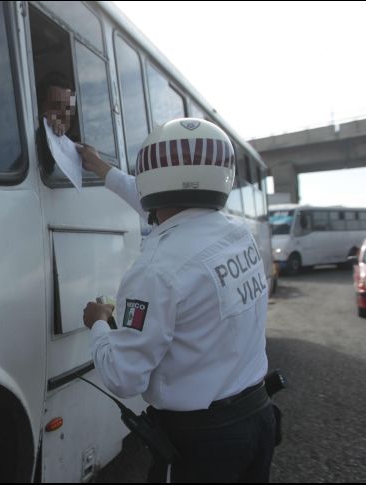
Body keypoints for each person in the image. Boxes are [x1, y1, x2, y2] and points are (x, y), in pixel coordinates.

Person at [76, 118, 276, 483]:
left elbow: (123, 377)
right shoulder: (236, 235)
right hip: (258, 420)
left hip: (204, 445)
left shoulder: (156, 270)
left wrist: (100, 323)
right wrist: (103, 169)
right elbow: (170, 204)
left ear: (150, 181)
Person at [35, 72, 78, 176]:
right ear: (41, 108)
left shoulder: (77, 147)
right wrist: (43, 129)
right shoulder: (31, 140)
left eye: (68, 108)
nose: (64, 114)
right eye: (56, 106)